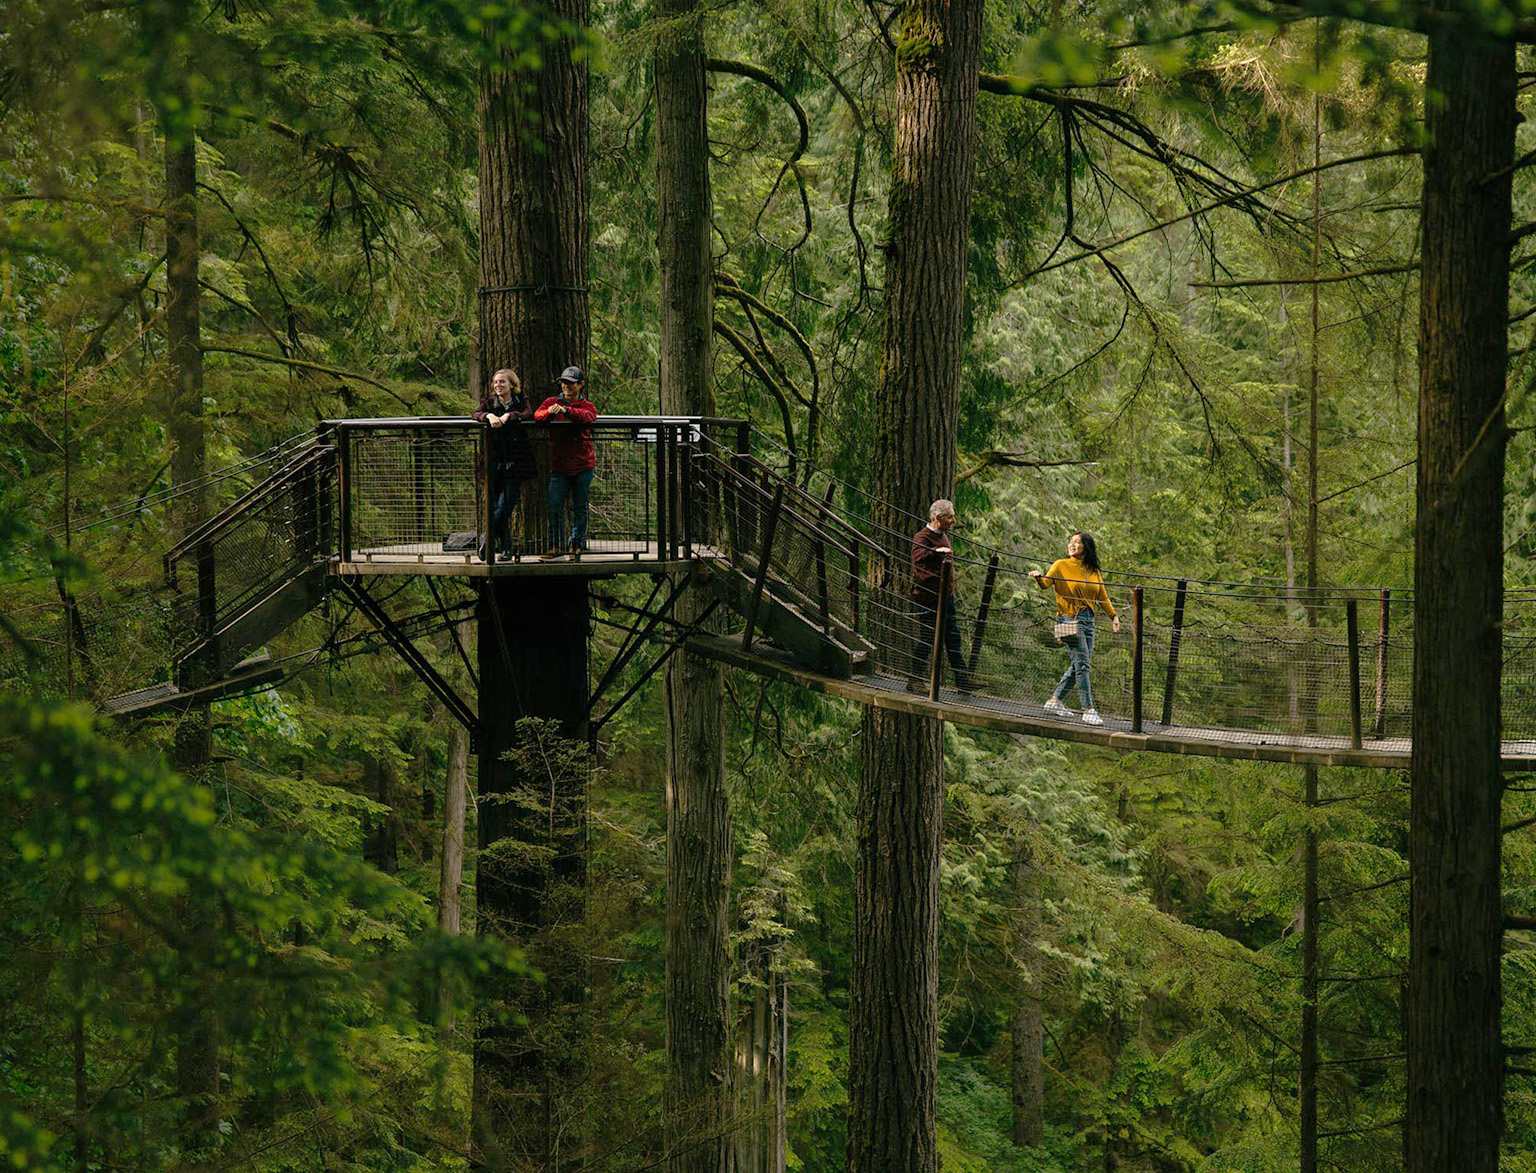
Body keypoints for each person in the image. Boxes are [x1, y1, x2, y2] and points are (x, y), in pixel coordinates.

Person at [1030, 530, 1120, 726]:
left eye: (1077, 542)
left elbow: (1102, 596)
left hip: (1089, 621)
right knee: (1083, 665)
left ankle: (1054, 701)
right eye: (1070, 541)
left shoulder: (1093, 571)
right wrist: (1038, 577)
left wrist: (1113, 616)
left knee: (1080, 664)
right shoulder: (1060, 565)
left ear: (1086, 547)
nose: (1072, 545)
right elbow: (1046, 584)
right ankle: (1088, 710)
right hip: (1068, 620)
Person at [535, 365, 599, 560]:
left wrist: (567, 411)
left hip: (583, 465)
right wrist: (549, 413)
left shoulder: (587, 405)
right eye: (564, 383)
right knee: (554, 506)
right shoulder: (551, 402)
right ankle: (555, 546)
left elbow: (588, 417)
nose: (566, 386)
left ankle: (576, 545)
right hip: (560, 466)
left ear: (581, 385)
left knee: (580, 508)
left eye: (571, 383)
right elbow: (537, 415)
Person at [908, 499, 971, 693]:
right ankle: (914, 680)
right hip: (928, 599)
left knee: (953, 639)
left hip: (946, 598)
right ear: (937, 517)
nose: (953, 521)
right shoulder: (922, 537)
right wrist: (935, 552)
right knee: (927, 638)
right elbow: (918, 557)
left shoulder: (943, 536)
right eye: (950, 517)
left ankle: (963, 682)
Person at [472, 368, 535, 560]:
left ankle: (487, 538)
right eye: (496, 382)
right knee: (496, 508)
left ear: (511, 385)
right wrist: (488, 416)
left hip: (516, 463)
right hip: (494, 464)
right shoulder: (489, 403)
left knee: (504, 507)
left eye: (502, 382)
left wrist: (511, 416)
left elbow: (528, 414)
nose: (498, 385)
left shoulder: (520, 401)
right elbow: (475, 413)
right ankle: (507, 549)